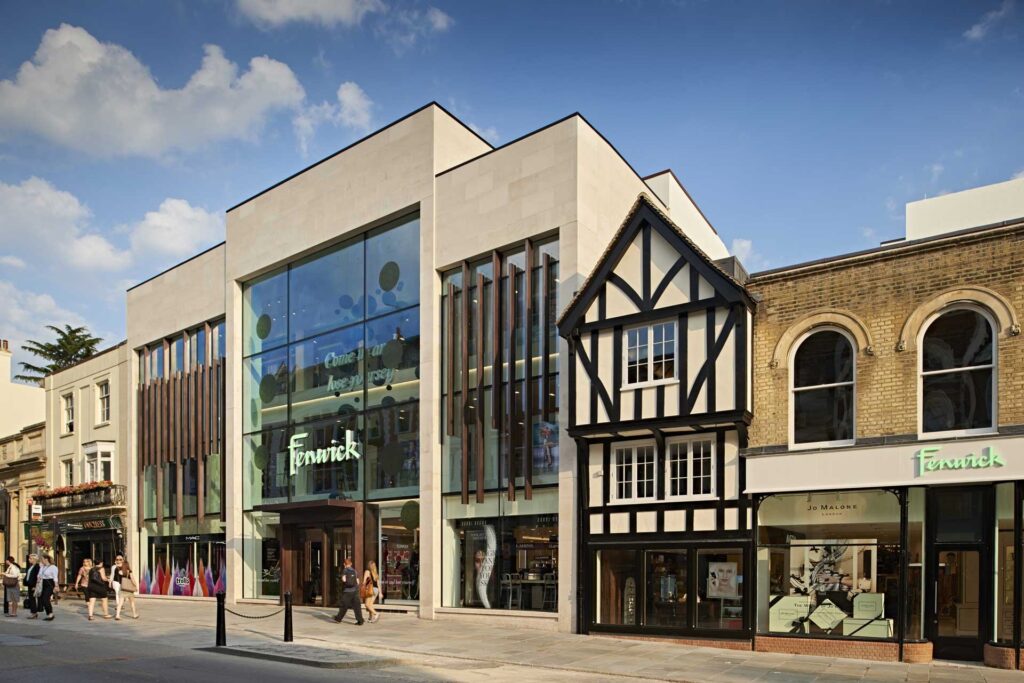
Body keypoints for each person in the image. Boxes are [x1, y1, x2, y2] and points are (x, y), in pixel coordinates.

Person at [332, 557, 363, 625]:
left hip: (347, 591)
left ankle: (338, 619)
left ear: (344, 564)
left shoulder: (345, 570)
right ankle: (360, 621)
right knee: (357, 606)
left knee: (344, 606)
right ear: (351, 564)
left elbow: (344, 580)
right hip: (355, 591)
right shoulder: (355, 571)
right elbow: (358, 582)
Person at [36, 554, 59, 621]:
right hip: (43, 583)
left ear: (46, 559)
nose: (41, 560)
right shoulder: (42, 567)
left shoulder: (53, 567)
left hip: (50, 583)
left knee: (45, 598)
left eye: (42, 559)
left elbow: (55, 577)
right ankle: (49, 613)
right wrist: (38, 580)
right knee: (43, 599)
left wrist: (56, 586)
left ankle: (50, 614)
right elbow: (39, 575)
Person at [23, 554, 40, 619]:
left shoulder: (37, 566)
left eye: (30, 558)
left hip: (33, 585)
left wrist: (35, 586)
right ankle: (33, 612)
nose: (29, 560)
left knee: (32, 599)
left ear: (34, 559)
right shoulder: (31, 566)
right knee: (31, 599)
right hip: (30, 584)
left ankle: (34, 613)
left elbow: (37, 576)